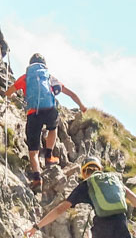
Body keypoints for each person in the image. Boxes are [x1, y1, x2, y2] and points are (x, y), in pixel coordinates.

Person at [6, 53, 85, 184]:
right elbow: (70, 93)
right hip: (50, 110)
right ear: (44, 65)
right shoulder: (48, 77)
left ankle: (37, 177)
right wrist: (81, 106)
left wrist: (9, 96)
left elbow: (9, 92)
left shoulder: (26, 77)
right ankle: (49, 155)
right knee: (52, 128)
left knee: (33, 150)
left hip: (33, 113)